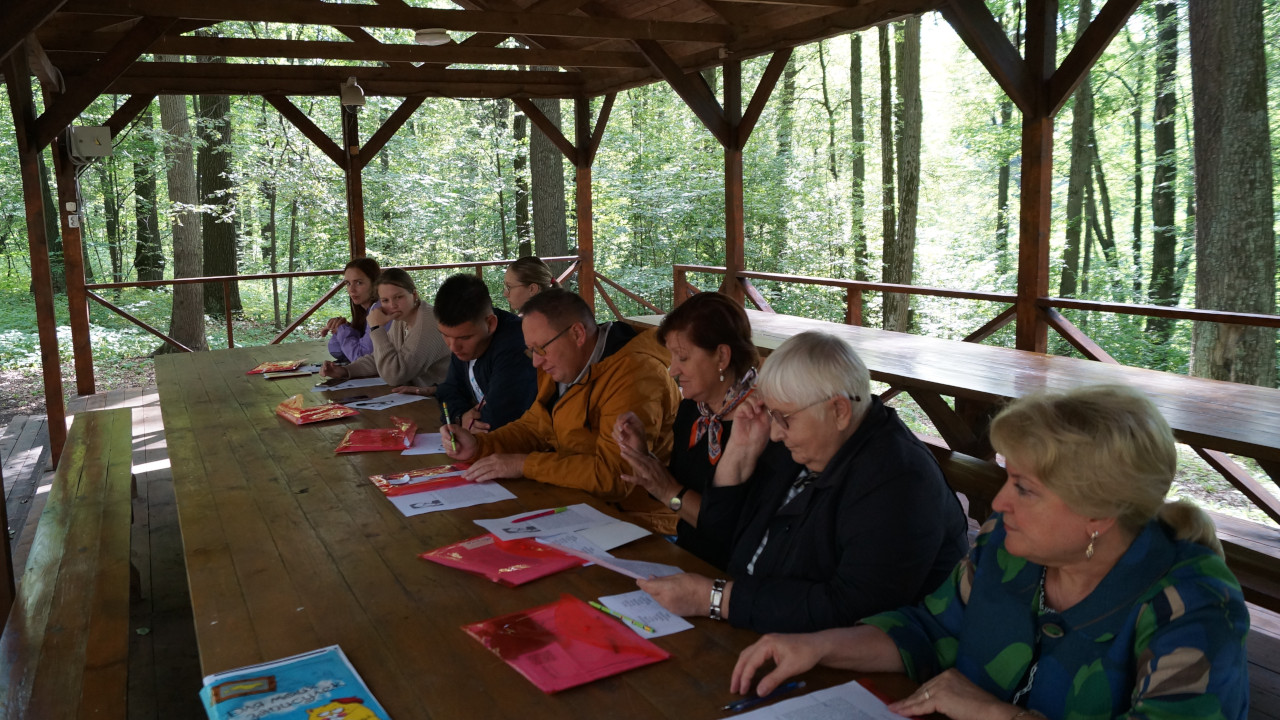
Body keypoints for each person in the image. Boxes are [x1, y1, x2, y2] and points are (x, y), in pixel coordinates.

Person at [730, 385, 1249, 720]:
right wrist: (819, 646)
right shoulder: (1007, 549)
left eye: (1023, 487)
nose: (997, 502)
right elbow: (929, 630)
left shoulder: (1192, 603)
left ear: (1099, 511)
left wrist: (996, 714)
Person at [637, 330, 969, 635]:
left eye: (785, 418)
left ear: (838, 410)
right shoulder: (808, 444)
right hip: (752, 621)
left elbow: (853, 611)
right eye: (772, 415)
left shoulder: (899, 480)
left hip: (838, 667)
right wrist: (738, 453)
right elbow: (720, 537)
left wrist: (715, 599)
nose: (776, 432)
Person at [441, 288, 681, 524]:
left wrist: (523, 464)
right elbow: (535, 426)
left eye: (541, 349)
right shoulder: (562, 365)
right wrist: (479, 446)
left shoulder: (635, 375)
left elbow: (616, 477)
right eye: (531, 350)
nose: (536, 362)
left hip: (639, 522)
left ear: (577, 334)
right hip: (577, 504)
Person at [612, 291, 760, 566]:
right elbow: (676, 494)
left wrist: (669, 492)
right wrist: (644, 456)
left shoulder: (760, 425)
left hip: (731, 575)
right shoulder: (696, 411)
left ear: (722, 356)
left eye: (682, 358)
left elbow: (731, 530)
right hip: (687, 555)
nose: (672, 371)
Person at [425, 273, 537, 432]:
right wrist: (460, 416)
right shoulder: (463, 340)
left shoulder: (517, 345)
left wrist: (468, 421)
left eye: (464, 337)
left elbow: (499, 419)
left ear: (490, 324)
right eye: (445, 335)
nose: (453, 347)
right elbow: (448, 390)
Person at [320, 268, 450, 390]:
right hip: (416, 396)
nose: (392, 305)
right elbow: (380, 357)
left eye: (399, 297)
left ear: (414, 295)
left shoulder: (427, 322)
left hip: (442, 401)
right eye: (385, 300)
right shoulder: (401, 318)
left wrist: (376, 328)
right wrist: (345, 370)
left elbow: (395, 376)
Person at [321, 257, 384, 363]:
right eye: (348, 283)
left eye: (359, 283)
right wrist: (342, 328)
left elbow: (361, 358)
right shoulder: (365, 311)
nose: (351, 289)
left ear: (375, 284)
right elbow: (337, 352)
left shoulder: (379, 310)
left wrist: (342, 330)